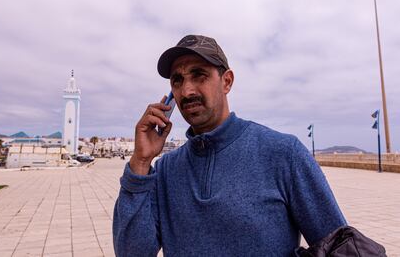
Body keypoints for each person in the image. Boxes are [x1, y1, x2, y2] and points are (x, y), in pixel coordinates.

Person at [113, 35, 347, 256]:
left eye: (199, 75)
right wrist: (141, 162)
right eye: (178, 80)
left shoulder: (284, 154)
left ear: (227, 81)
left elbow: (339, 247)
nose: (187, 91)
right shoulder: (165, 170)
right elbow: (131, 252)